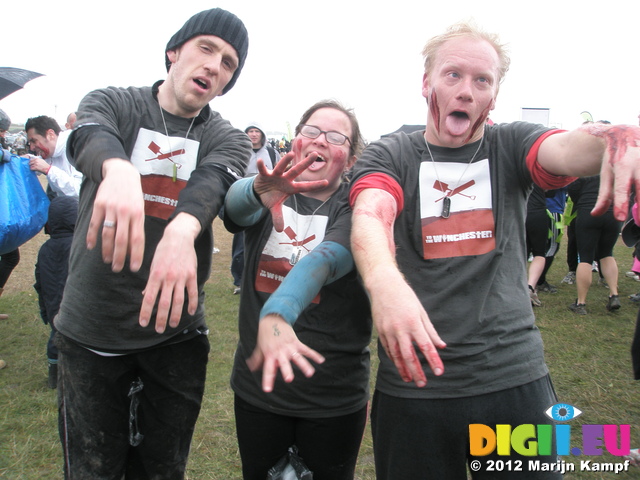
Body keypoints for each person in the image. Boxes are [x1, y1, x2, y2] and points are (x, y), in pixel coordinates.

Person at [348, 21, 640, 479]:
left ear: (495, 95)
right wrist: (384, 281)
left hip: (511, 380)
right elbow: (371, 213)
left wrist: (612, 136)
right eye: (453, 75)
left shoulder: (509, 143)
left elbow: (564, 150)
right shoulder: (391, 154)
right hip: (413, 387)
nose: (466, 91)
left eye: (482, 80)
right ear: (426, 83)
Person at [52, 8, 250, 478]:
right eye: (206, 48)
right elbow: (89, 134)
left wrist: (183, 228)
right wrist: (116, 168)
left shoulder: (226, 136)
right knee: (91, 468)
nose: (214, 66)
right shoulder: (116, 102)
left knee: (163, 468)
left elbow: (210, 184)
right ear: (174, 52)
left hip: (175, 334)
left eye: (227, 63)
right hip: (92, 325)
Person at [224, 100, 371, 480]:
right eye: (311, 131)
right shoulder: (271, 186)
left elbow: (327, 257)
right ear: (295, 141)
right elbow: (234, 211)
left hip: (331, 394)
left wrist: (279, 311)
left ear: (351, 159)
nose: (320, 140)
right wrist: (257, 190)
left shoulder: (357, 205)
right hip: (260, 388)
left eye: (336, 137)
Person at [229, 122, 281, 295]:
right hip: (244, 199)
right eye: (250, 131)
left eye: (256, 131)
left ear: (262, 134)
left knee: (266, 240)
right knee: (240, 242)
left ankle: (263, 279)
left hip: (267, 202)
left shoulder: (272, 153)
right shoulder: (239, 151)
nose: (253, 134)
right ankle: (240, 281)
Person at [34, 195, 78, 389]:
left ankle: (54, 376)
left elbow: (40, 283)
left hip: (53, 307)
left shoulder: (45, 249)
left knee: (55, 337)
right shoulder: (80, 247)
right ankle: (70, 376)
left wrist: (44, 310)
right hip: (76, 310)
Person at [567, 172, 622, 315]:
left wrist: (581, 199)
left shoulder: (588, 166)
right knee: (606, 253)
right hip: (612, 211)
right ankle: (614, 294)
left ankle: (581, 303)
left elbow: (572, 187)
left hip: (588, 209)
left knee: (585, 257)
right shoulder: (617, 166)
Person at [25, 115, 82, 198]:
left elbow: (79, 190)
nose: (32, 147)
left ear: (50, 135)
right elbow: (41, 162)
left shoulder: (76, 147)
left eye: (34, 141)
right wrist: (27, 159)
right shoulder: (52, 152)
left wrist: (48, 170)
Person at [525, 184, 551, 306]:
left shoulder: (514, 168)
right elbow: (552, 192)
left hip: (519, 212)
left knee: (520, 252)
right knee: (539, 253)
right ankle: (530, 287)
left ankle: (516, 287)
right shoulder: (539, 169)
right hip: (537, 212)